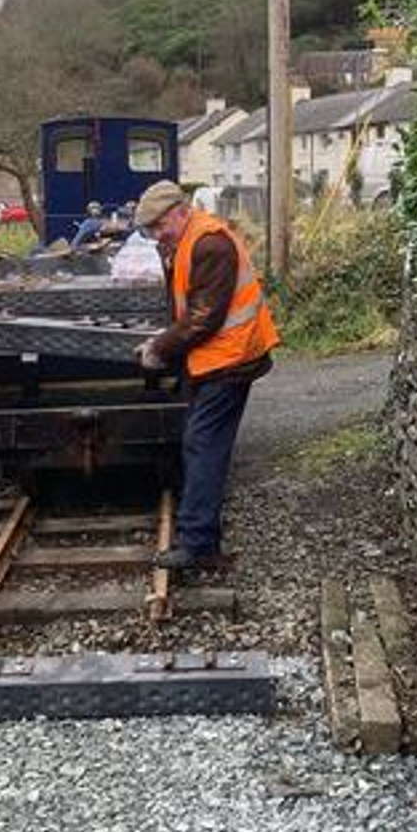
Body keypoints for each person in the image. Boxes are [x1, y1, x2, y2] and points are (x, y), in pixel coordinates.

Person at [133, 179, 279, 571]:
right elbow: (189, 309)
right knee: (201, 444)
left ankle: (197, 545)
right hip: (217, 358)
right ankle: (203, 541)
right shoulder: (187, 241)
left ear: (180, 212)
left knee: (202, 445)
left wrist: (160, 349)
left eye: (160, 226)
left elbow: (203, 317)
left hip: (229, 360)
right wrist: (165, 338)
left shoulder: (209, 244)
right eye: (151, 230)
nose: (156, 235)